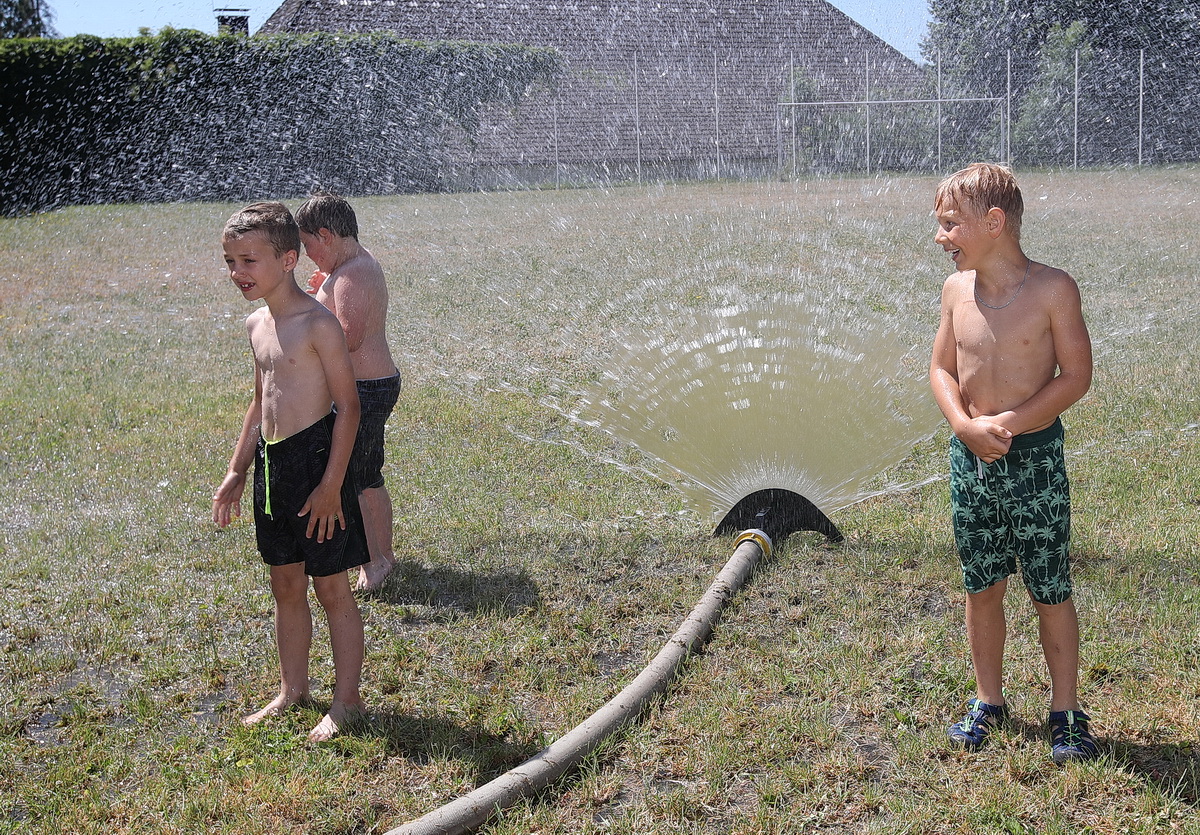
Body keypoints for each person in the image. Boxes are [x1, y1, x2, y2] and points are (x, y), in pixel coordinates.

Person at [929, 163, 1099, 763]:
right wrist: (964, 426)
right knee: (983, 585)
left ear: (993, 223)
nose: (941, 238)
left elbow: (1075, 376)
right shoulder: (956, 292)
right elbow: (942, 369)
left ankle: (1066, 709)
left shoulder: (1053, 289)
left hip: (1034, 464)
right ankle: (988, 700)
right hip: (970, 462)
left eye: (950, 225)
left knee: (1048, 586)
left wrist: (1008, 425)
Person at [212, 201, 369, 742]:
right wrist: (238, 469)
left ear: (288, 259)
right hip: (274, 465)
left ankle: (345, 701)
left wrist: (330, 486)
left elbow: (349, 408)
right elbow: (260, 402)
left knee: (332, 588)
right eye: (231, 262)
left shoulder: (318, 324)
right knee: (285, 584)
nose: (238, 273)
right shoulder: (256, 324)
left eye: (249, 261)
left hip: (319, 463)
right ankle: (293, 690)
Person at [296, 193, 401, 593]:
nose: (309, 256)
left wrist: (307, 324)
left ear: (326, 235)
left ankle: (377, 561)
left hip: (366, 390)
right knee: (361, 474)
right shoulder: (349, 268)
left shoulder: (354, 275)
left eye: (309, 246)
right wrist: (326, 288)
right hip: (365, 387)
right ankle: (378, 555)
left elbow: (348, 338)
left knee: (359, 477)